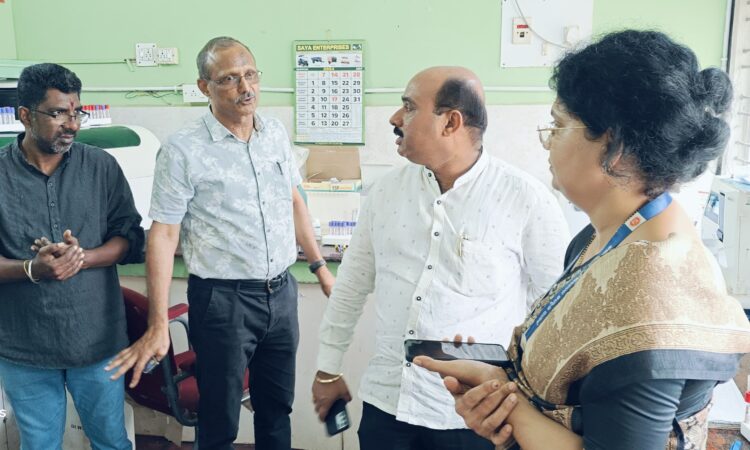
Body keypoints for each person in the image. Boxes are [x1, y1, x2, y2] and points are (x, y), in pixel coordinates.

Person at [416, 30, 750, 450]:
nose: (547, 141)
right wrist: (499, 389)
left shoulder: (651, 295)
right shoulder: (605, 236)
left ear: (616, 147)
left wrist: (511, 409)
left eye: (558, 125)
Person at [312, 66, 569, 450]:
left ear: (451, 122)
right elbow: (350, 286)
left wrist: (532, 400)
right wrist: (328, 369)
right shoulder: (384, 194)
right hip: (388, 404)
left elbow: (554, 312)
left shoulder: (526, 199)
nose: (395, 119)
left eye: (408, 107)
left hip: (475, 414)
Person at [105, 36, 334, 450]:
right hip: (223, 301)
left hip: (281, 294)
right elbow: (163, 235)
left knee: (276, 408)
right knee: (219, 418)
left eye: (250, 75)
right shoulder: (183, 149)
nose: (245, 87)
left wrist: (319, 267)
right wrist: (158, 324)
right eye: (229, 78)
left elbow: (294, 200)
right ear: (204, 87)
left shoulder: (274, 133)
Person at [0, 63, 144, 450]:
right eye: (58, 113)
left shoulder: (100, 167)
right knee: (40, 444)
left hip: (97, 340)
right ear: (25, 115)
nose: (72, 124)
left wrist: (83, 258)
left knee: (110, 440)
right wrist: (32, 268)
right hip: (24, 345)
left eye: (77, 112)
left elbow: (130, 237)